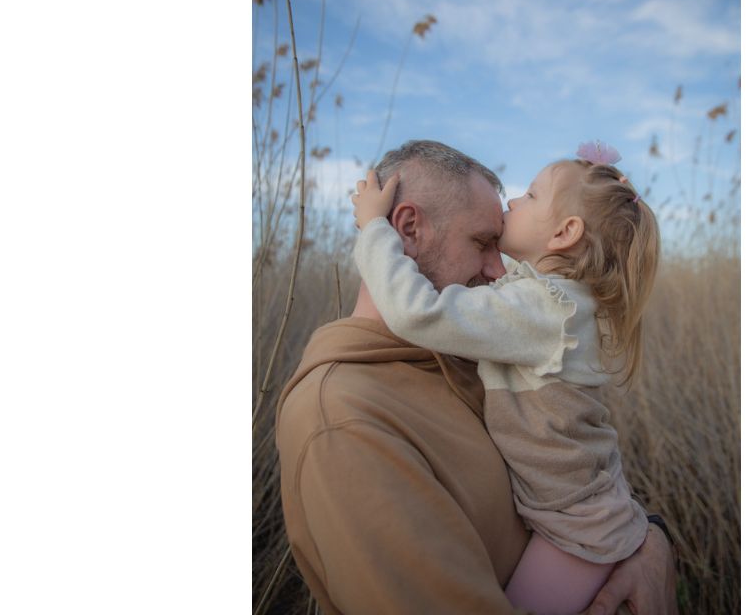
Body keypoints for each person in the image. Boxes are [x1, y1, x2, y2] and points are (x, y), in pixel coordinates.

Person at [276, 140, 677, 615]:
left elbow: (583, 458)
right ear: (405, 230)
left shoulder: (471, 353)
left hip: (587, 541)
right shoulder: (344, 424)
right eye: (483, 242)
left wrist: (653, 540)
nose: (497, 271)